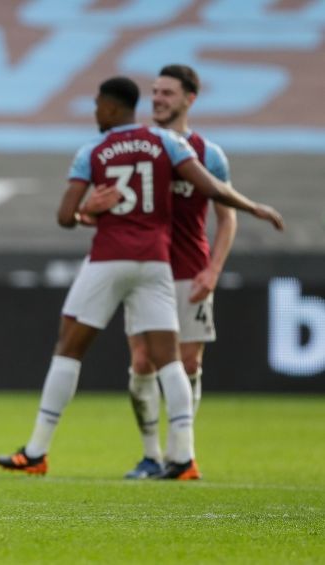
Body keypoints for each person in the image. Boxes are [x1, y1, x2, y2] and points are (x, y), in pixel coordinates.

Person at [0, 76, 283, 480]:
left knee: (69, 348)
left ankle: (37, 450)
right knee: (169, 361)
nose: (95, 112)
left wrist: (84, 212)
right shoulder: (166, 143)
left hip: (109, 259)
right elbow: (210, 187)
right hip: (155, 264)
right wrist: (253, 206)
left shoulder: (94, 149)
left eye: (97, 105)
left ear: (112, 108)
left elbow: (64, 217)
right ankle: (182, 457)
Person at [120, 65, 236, 480]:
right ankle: (151, 455)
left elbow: (227, 218)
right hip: (143, 270)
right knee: (142, 361)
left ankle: (179, 452)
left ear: (190, 98)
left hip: (190, 270)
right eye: (154, 92)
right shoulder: (136, 148)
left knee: (187, 362)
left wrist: (214, 269)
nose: (158, 99)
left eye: (167, 92)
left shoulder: (209, 154)